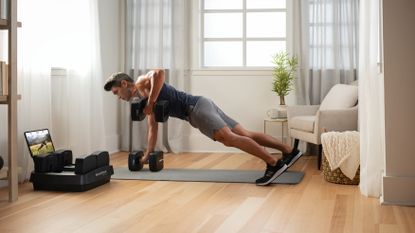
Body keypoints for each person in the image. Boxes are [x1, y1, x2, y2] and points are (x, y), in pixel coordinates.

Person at [104, 69, 302, 186]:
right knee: (243, 134)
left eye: (116, 92)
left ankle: (273, 164)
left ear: (124, 83)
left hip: (195, 109)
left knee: (230, 139)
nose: (118, 97)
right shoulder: (144, 100)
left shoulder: (140, 83)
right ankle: (289, 151)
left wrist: (151, 101)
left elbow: (159, 72)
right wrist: (147, 155)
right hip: (202, 104)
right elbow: (152, 128)